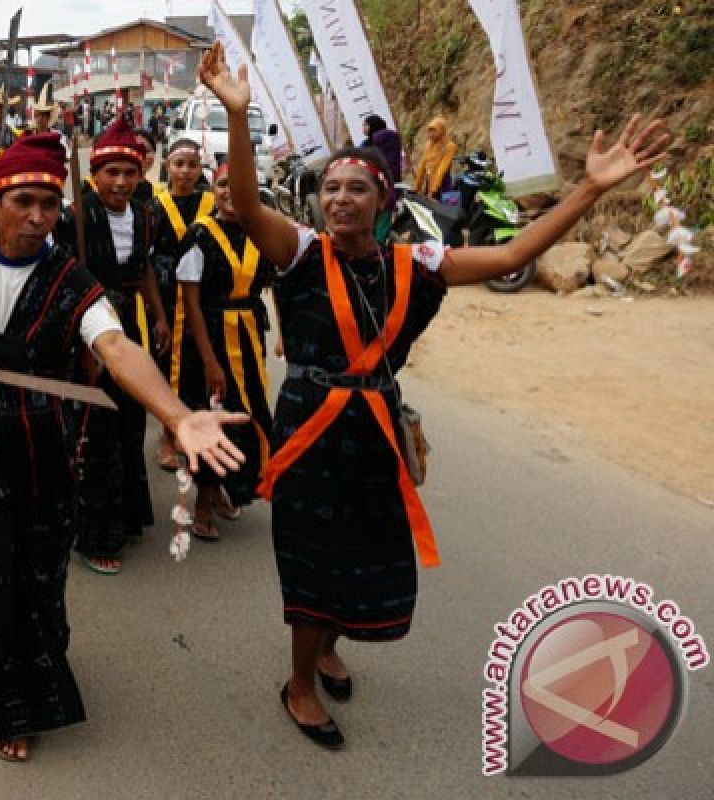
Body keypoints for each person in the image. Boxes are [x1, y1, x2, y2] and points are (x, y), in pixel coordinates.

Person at [197, 41, 671, 749]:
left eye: (356, 188)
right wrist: (237, 116)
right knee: (315, 557)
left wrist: (591, 190)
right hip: (309, 431)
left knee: (361, 550)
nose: (339, 198)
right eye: (329, 188)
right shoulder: (297, 253)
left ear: (385, 203)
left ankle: (328, 647)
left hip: (375, 428)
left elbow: (512, 255)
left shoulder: (416, 265)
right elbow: (243, 197)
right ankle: (299, 681)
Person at [0, 131, 247, 762]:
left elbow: (116, 347)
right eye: (23, 201)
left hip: (42, 448)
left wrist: (177, 414)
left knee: (41, 576)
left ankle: (21, 684)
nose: (37, 217)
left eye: (49, 205)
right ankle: (9, 676)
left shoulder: (71, 280)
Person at [54, 115, 170, 575]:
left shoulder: (146, 217)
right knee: (95, 429)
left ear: (141, 175)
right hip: (86, 331)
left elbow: (144, 270)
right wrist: (83, 347)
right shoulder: (73, 217)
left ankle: (126, 516)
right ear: (94, 174)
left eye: (130, 172)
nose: (121, 182)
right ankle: (93, 532)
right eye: (111, 173)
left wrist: (159, 316)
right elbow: (61, 281)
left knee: (129, 421)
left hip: (131, 328)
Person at [177, 162, 275, 539]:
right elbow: (192, 304)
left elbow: (272, 284)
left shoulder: (259, 233)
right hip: (212, 337)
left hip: (248, 336)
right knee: (214, 413)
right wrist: (208, 360)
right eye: (222, 185)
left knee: (246, 413)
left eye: (239, 185)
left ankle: (227, 488)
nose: (230, 193)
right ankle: (204, 500)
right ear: (212, 189)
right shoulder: (199, 235)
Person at [151, 138, 216, 472]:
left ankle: (200, 429)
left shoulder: (213, 202)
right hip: (167, 293)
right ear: (167, 167)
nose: (186, 172)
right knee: (167, 366)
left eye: (192, 165)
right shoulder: (155, 205)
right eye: (179, 164)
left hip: (206, 294)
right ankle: (167, 434)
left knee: (197, 363)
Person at [411, 116, 456, 200]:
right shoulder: (428, 145)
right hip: (430, 183)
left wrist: (433, 190)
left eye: (434, 130)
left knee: (446, 210)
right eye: (429, 130)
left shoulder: (449, 146)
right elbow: (422, 165)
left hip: (443, 184)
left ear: (442, 130)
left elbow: (441, 170)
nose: (431, 133)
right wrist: (416, 187)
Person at [361, 115, 402, 185]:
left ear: (373, 124)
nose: (363, 128)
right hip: (395, 174)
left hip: (380, 177)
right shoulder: (392, 134)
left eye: (365, 125)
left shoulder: (376, 138)